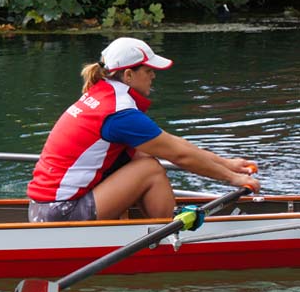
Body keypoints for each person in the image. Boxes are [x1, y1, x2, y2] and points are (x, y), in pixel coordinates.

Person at [26, 36, 260, 223]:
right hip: (59, 214)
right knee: (149, 169)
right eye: (148, 70)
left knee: (142, 155)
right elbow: (179, 155)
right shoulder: (120, 113)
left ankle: (153, 224)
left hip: (43, 209)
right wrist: (233, 179)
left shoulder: (101, 93)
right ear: (128, 75)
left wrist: (227, 163)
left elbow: (174, 145)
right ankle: (169, 235)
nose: (153, 75)